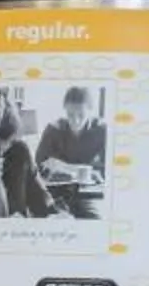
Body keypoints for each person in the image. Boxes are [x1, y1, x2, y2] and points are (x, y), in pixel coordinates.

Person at [35, 88, 108, 220]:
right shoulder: (53, 129)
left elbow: (108, 169)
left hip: (87, 194)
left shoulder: (102, 130)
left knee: (93, 219)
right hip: (56, 194)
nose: (75, 121)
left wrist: (65, 167)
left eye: (81, 115)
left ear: (91, 111)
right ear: (64, 110)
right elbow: (38, 165)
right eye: (70, 115)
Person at [0, 101, 54, 218]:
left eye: (6, 144)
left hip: (22, 217)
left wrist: (52, 210)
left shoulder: (16, 150)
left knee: (20, 149)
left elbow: (39, 192)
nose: (1, 151)